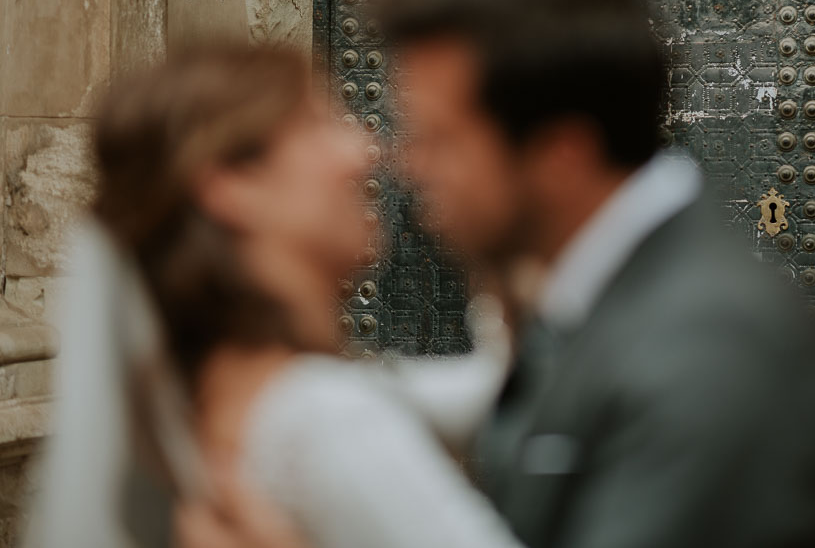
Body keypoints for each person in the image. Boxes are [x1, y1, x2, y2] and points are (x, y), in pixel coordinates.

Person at [378, 0, 815, 548]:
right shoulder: (613, 299)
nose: (407, 167)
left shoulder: (704, 344)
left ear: (562, 153)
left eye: (439, 140)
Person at [28, 44, 530, 548]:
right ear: (230, 184)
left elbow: (491, 390)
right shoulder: (325, 418)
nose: (362, 151)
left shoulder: (199, 405)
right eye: (319, 125)